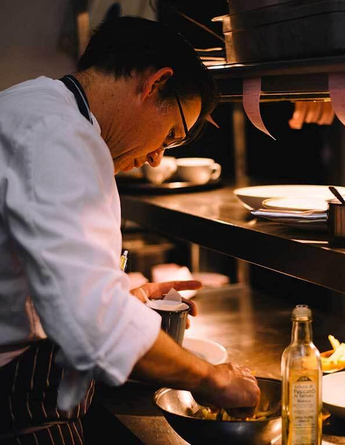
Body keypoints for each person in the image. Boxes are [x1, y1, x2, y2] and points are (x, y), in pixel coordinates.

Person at [0, 16, 260, 444]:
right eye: (172, 134)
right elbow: (92, 322)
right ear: (156, 84)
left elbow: (34, 274)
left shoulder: (37, 107)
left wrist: (120, 297)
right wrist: (212, 379)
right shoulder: (56, 135)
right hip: (17, 410)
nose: (158, 158)